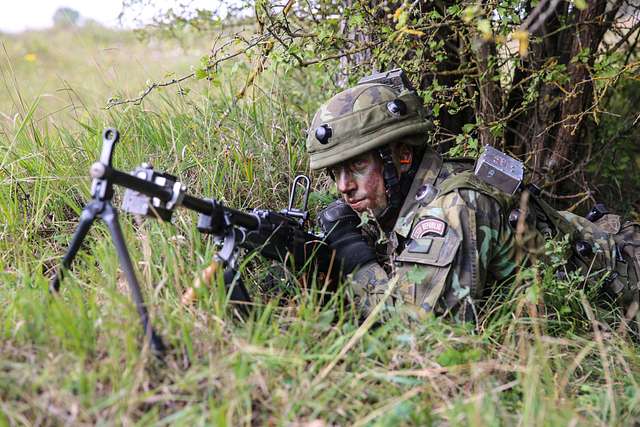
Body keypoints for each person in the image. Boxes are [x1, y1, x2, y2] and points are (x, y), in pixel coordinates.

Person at [306, 75, 640, 325]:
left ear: (402, 157)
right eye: (336, 173)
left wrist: (352, 255)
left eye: (358, 167)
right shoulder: (412, 194)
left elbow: (420, 332)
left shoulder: (455, 206)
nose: (343, 187)